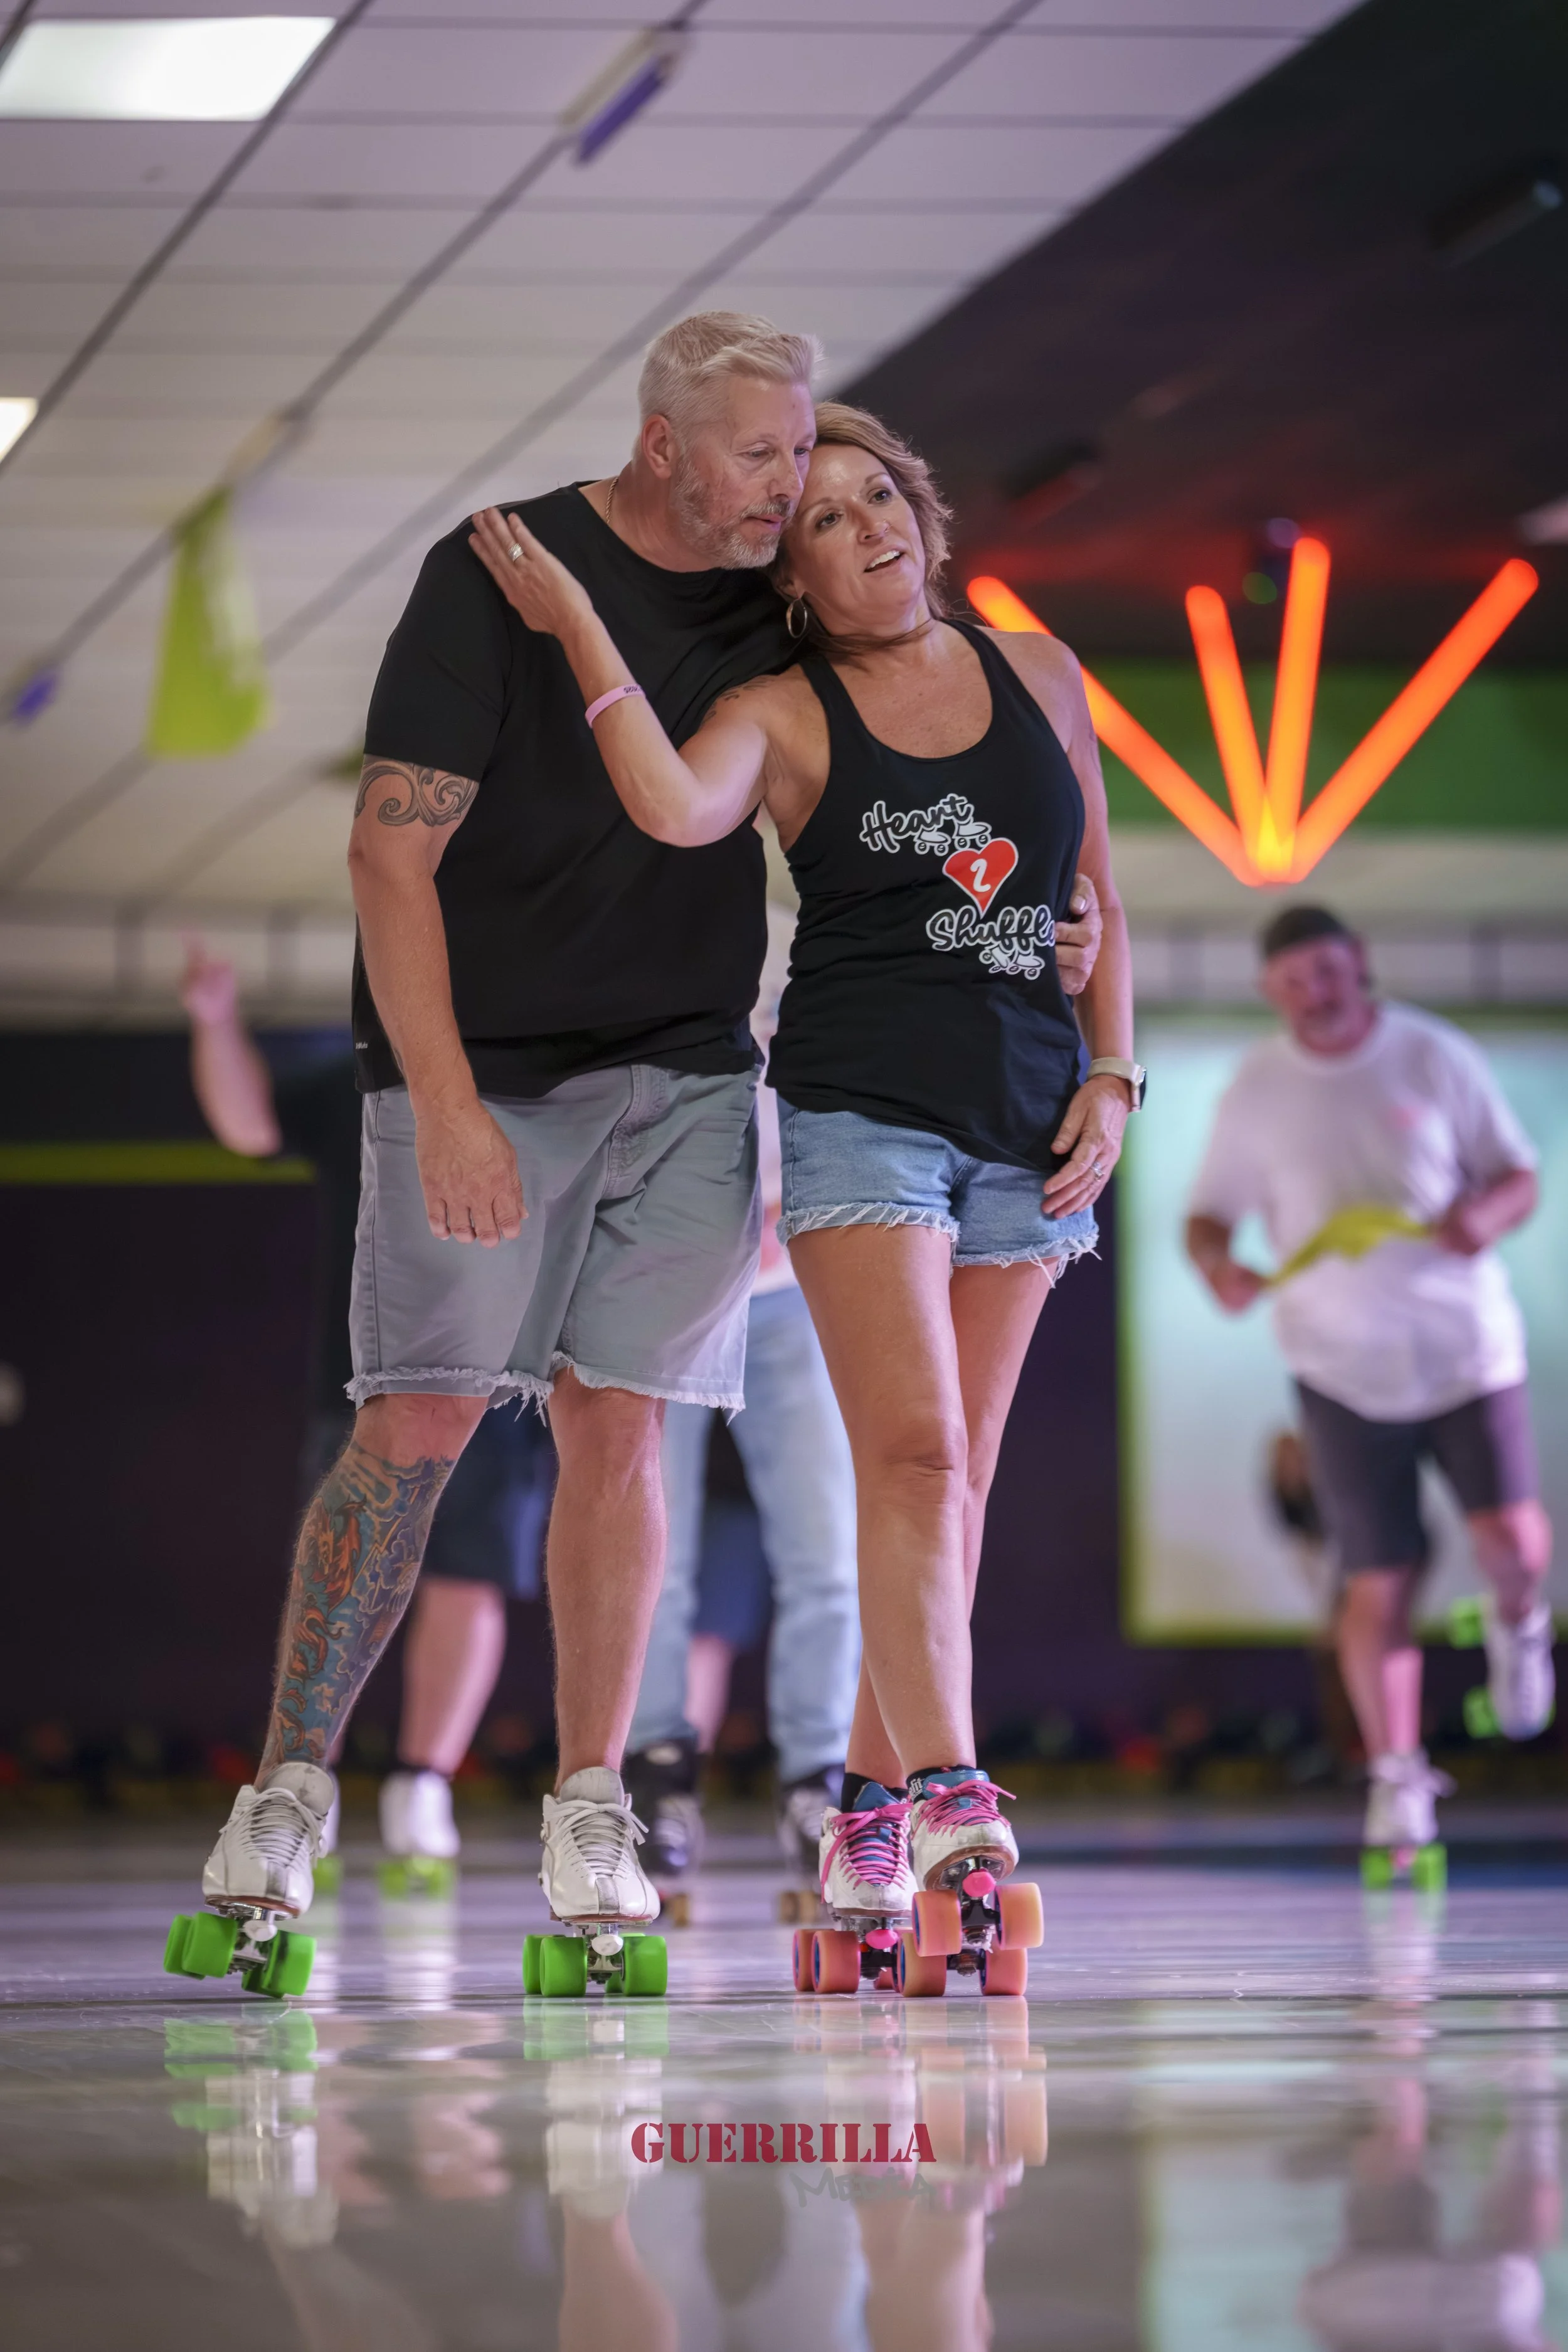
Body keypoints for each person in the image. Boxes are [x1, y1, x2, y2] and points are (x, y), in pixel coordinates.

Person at [469, 395, 1136, 1929]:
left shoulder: (1038, 673)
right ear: (792, 577)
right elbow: (665, 798)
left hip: (1030, 1120)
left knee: (953, 1490)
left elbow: (1093, 889)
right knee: (908, 1459)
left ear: (922, 513)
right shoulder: (781, 712)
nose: (867, 529)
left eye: (879, 497)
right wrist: (582, 627)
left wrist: (1113, 1071)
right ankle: (946, 1792)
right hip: (859, 1116)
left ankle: (865, 1824)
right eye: (824, 519)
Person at [179, 938, 556, 1882]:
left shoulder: (544, 1077)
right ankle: (308, 1788)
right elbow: (250, 1125)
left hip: (503, 1372)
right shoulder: (367, 1081)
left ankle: (422, 1784)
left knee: (468, 1580)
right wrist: (214, 1018)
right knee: (347, 1567)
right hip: (358, 1378)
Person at [1185, 904, 1555, 1864]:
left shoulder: (1433, 1055)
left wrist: (1487, 1213)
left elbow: (1521, 1175)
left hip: (1466, 1352)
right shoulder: (1257, 1087)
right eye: (1295, 979)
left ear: (1361, 967)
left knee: (1509, 1540)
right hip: (1338, 1368)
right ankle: (1398, 1779)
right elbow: (1208, 1218)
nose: (1316, 992)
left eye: (1329, 971)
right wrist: (1220, 1267)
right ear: (1273, 991)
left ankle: (1521, 1625)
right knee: (1378, 1578)